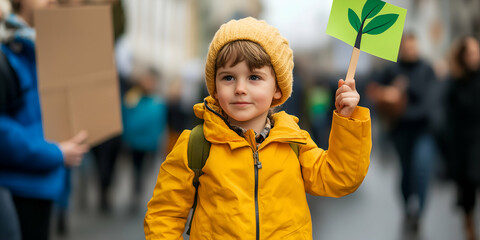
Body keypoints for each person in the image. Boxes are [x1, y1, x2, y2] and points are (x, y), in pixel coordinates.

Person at [144, 17, 372, 239]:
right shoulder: (196, 144)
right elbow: (164, 215)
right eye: (228, 78)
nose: (240, 88)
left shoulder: (294, 142)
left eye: (254, 77)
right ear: (214, 87)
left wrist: (347, 120)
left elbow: (339, 177)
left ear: (277, 89)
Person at [0, 0, 89, 239]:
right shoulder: (7, 49)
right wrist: (55, 152)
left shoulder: (45, 47)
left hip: (43, 184)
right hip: (15, 186)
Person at [366, 33, 437, 234]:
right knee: (406, 172)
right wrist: (386, 94)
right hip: (400, 130)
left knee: (422, 170)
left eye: (413, 46)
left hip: (423, 130)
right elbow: (373, 89)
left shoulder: (427, 69)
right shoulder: (392, 69)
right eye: (407, 47)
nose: (410, 50)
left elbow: (431, 102)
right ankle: (407, 209)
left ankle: (418, 213)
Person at [445, 36, 480, 240]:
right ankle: (469, 224)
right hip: (465, 144)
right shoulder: (456, 83)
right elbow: (450, 119)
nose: (476, 57)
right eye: (472, 53)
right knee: (469, 187)